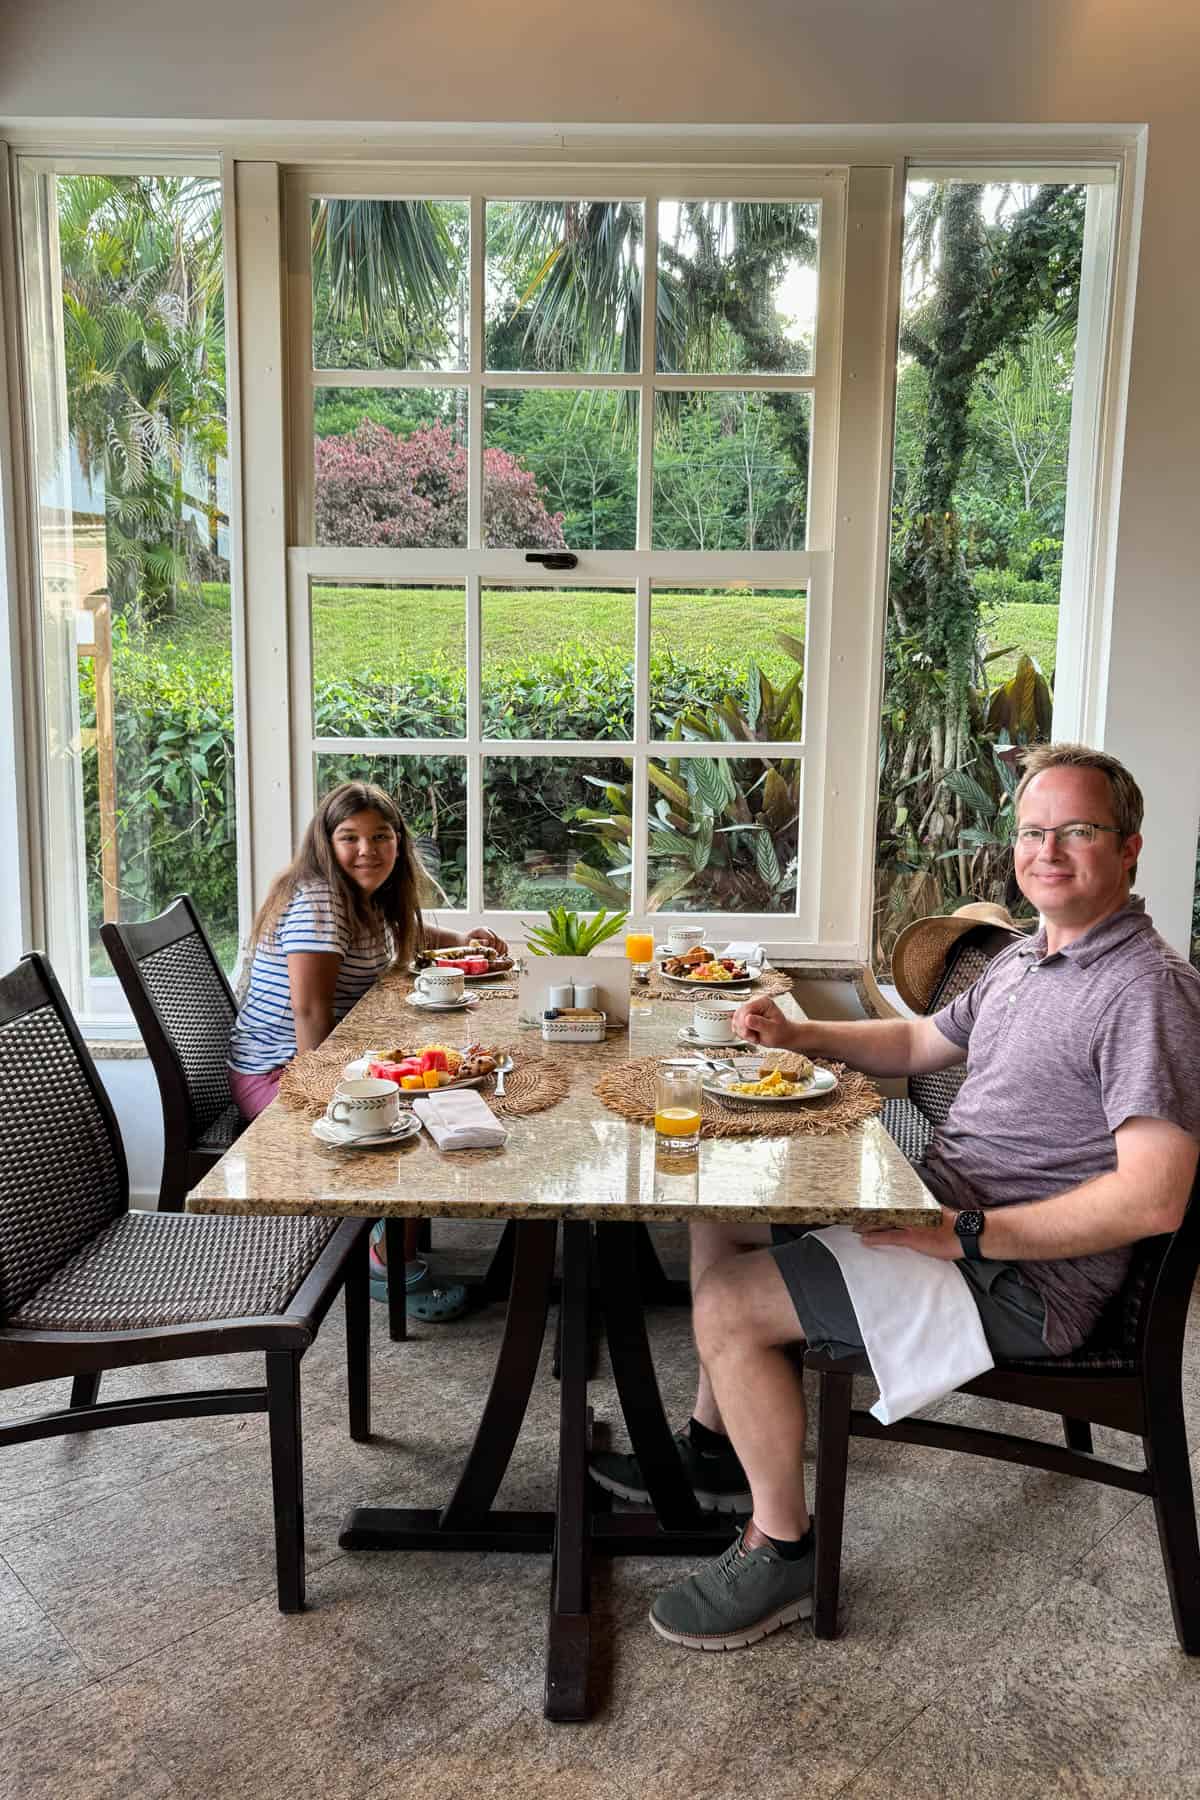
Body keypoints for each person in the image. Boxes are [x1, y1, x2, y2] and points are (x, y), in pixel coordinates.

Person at [591, 744, 1200, 1651]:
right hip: (945, 1213)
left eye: (1078, 831)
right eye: (1034, 831)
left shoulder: (1145, 992)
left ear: (1129, 847)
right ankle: (718, 1452)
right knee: (720, 1210)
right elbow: (919, 1047)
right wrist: (800, 1032)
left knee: (726, 1300)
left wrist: (966, 1233)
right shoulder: (1028, 957)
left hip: (1019, 1278)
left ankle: (781, 1548)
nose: (1049, 851)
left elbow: (1154, 1201)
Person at [226, 780, 508, 1322]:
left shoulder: (362, 896)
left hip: (313, 1058)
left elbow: (403, 932)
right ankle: (383, 1261)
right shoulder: (318, 900)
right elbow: (309, 1012)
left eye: (381, 837)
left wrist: (461, 938)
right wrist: (334, 1094)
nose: (367, 850)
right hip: (280, 1071)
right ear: (325, 844)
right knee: (416, 1114)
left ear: (398, 844)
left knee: (445, 1081)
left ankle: (391, 1230)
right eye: (349, 837)